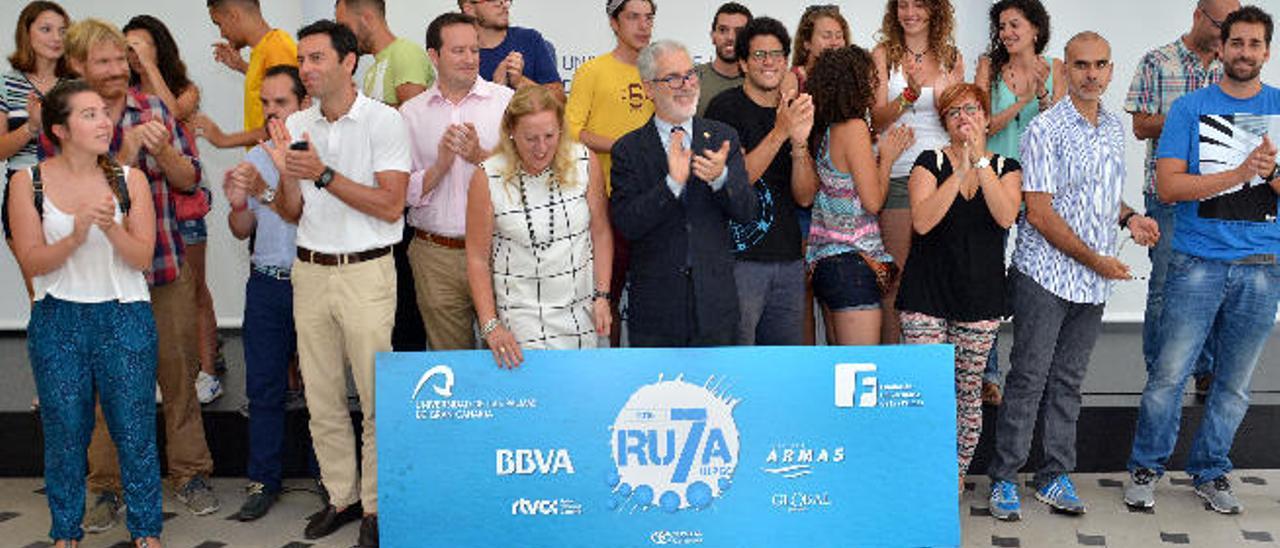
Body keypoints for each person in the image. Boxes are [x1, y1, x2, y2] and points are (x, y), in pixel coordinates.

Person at [52, 19, 218, 532]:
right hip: (100, 278)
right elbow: (76, 191)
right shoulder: (69, 119)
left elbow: (190, 179)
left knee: (179, 376)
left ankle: (189, 475)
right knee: (105, 388)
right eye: (103, 62)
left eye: (121, 61)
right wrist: (126, 156)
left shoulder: (153, 108)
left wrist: (164, 151)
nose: (117, 70)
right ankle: (105, 488)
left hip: (164, 265)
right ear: (78, 66)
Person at [986, 32, 1159, 522]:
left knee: (1068, 382)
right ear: (1066, 67)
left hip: (1091, 281)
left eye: (1100, 65)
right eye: (1081, 65)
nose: (1091, 74)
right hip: (1045, 275)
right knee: (1028, 379)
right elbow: (1038, 213)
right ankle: (1003, 478)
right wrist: (1098, 261)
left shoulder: (1111, 128)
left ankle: (1053, 474)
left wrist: (1129, 219)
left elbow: (1100, 199)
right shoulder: (1044, 129)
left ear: (1110, 69)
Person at [1125, 5, 1279, 516]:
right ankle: (1145, 467)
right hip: (1197, 262)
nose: (1245, 52)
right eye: (1237, 43)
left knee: (1234, 385)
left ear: (1267, 52)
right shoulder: (1191, 109)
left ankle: (1211, 471)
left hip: (1262, 265)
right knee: (1169, 375)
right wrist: (1238, 173)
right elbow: (1168, 187)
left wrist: (1269, 170)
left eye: (1256, 44)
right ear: (1221, 48)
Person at [266, 19, 410, 547]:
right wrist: (286, 171)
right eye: (302, 59)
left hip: (367, 270)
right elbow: (290, 210)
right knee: (322, 396)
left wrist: (323, 172)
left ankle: (375, 507)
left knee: (374, 398)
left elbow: (392, 202)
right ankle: (341, 496)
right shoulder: (298, 119)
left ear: (349, 62)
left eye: (317, 58)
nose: (306, 69)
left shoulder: (384, 121)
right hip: (310, 270)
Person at [9, 78, 161, 548]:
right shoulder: (26, 181)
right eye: (89, 114)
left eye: (104, 112)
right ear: (59, 128)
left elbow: (141, 258)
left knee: (135, 431)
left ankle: (146, 533)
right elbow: (31, 262)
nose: (104, 121)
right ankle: (65, 534)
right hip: (58, 320)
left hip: (124, 316)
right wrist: (74, 236)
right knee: (65, 434)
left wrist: (109, 227)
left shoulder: (128, 179)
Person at [896, 82, 1022, 484]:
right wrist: (960, 170)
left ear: (986, 117)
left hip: (980, 297)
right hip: (925, 294)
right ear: (945, 122)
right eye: (953, 112)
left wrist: (980, 165)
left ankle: (950, 482)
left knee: (966, 393)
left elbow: (1005, 217)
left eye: (971, 109)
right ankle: (919, 479)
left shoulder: (1007, 168)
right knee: (924, 392)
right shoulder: (927, 161)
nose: (963, 117)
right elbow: (922, 220)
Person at [1126, 0, 1240, 400]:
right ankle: (1160, 375)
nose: (1229, 32)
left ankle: (1206, 371)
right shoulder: (1157, 61)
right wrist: (1192, 118)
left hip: (1220, 195)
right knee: (1165, 288)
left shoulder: (1232, 65)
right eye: (1223, 23)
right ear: (1198, 16)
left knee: (1215, 286)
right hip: (1168, 194)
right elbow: (1140, 125)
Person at [610, 40, 754, 347]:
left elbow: (747, 212)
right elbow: (626, 224)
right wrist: (671, 185)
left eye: (690, 75)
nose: (686, 85)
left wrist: (721, 178)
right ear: (649, 88)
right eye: (673, 78)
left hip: (716, 308)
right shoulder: (628, 149)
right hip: (656, 314)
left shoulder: (721, 137)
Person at [466, 85, 613, 367]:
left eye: (550, 136)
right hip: (520, 321)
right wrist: (490, 325)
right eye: (530, 138)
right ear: (511, 132)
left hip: (582, 313)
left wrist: (602, 295)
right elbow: (476, 258)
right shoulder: (488, 177)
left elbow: (601, 233)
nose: (542, 148)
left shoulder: (584, 161)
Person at [122, 14, 224, 406]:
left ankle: (208, 371)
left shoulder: (185, 88)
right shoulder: (121, 95)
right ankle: (162, 372)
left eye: (139, 43)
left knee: (196, 288)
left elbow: (172, 115)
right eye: (126, 45)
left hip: (184, 199)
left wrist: (149, 66)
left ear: (158, 46)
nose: (131, 52)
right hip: (146, 206)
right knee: (151, 299)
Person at [221, 64, 308, 522]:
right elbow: (241, 230)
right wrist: (238, 203)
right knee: (264, 386)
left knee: (326, 387)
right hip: (267, 284)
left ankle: (334, 483)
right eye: (267, 103)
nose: (273, 112)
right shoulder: (254, 157)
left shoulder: (316, 153)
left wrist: (267, 190)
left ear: (304, 104)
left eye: (283, 103)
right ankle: (262, 480)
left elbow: (302, 215)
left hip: (314, 282)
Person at [971, 0, 1066, 406]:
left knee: (1032, 284)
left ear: (1035, 28)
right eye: (1002, 25)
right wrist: (1020, 97)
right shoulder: (988, 68)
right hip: (992, 182)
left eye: (1015, 24)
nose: (1008, 32)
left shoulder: (1057, 67)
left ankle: (1029, 372)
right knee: (986, 277)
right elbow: (981, 124)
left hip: (1039, 188)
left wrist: (1041, 93)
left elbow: (1060, 125)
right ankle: (987, 373)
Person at [401, 12, 513, 352]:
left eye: (474, 51)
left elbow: (526, 176)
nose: (470, 59)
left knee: (508, 356)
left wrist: (479, 154)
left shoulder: (506, 103)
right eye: (458, 51)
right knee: (450, 363)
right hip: (436, 254)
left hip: (501, 248)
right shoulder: (410, 113)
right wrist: (440, 166)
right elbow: (398, 191)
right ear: (434, 56)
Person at [704, 17, 817, 345]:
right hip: (738, 261)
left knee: (782, 368)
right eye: (759, 55)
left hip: (789, 259)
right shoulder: (724, 109)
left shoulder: (794, 112)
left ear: (786, 61)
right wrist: (781, 131)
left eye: (777, 54)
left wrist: (798, 144)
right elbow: (736, 181)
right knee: (737, 365)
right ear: (742, 63)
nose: (769, 62)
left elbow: (806, 197)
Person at [335, 0, 433, 354]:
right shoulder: (376, 66)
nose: (342, 34)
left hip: (406, 200)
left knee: (405, 307)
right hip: (382, 203)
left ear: (366, 17)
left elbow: (413, 118)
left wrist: (358, 116)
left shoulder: (404, 53)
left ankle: (406, 391)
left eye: (344, 24)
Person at [870, 0, 965, 345]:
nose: (910, 13)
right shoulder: (883, 54)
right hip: (896, 171)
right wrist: (908, 95)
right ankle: (895, 364)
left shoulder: (951, 57)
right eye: (903, 5)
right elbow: (876, 119)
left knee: (940, 274)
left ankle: (933, 367)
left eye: (919, 5)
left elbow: (960, 117)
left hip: (940, 173)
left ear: (935, 10)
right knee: (897, 277)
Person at [805, 45, 913, 346]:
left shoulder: (825, 130)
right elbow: (874, 201)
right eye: (870, 77)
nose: (875, 83)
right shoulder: (853, 129)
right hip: (851, 264)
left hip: (827, 264)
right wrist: (888, 157)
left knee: (840, 371)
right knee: (860, 371)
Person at [565, 0, 655, 346]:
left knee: (654, 297)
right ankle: (610, 371)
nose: (643, 26)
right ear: (614, 23)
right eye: (633, 17)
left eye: (649, 18)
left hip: (656, 201)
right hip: (607, 202)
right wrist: (621, 146)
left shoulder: (660, 72)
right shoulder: (593, 71)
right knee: (608, 297)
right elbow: (571, 130)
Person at [2, 0, 70, 299]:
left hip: (71, 191)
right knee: (40, 293)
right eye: (46, 29)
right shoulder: (6, 84)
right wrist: (31, 127)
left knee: (71, 291)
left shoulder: (77, 85)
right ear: (26, 34)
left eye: (63, 31)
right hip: (24, 191)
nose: (57, 37)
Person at [202, 0, 297, 148]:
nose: (222, 33)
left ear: (234, 16)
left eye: (219, 24)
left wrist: (224, 140)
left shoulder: (277, 48)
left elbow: (284, 121)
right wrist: (241, 66)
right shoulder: (263, 50)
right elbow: (268, 86)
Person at [460, 0, 564, 101]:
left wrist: (520, 82)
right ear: (469, 8)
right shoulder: (458, 55)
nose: (504, 5)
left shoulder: (529, 39)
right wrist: (496, 89)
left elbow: (559, 99)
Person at [335, 0, 434, 107]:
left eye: (345, 27)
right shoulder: (370, 73)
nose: (343, 36)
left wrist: (357, 105)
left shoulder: (405, 53)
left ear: (367, 19)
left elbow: (413, 116)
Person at [694, 2, 751, 116]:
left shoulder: (761, 81)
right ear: (713, 36)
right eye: (723, 30)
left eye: (739, 32)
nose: (730, 37)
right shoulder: (691, 79)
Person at [787, 4, 849, 94]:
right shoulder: (793, 79)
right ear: (807, 43)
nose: (834, 42)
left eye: (839, 36)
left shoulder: (848, 78)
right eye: (826, 36)